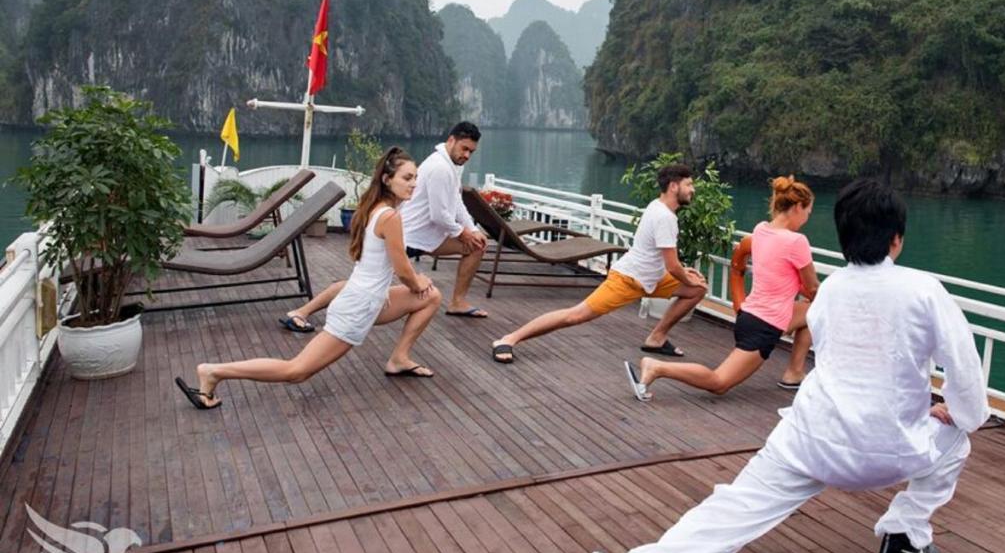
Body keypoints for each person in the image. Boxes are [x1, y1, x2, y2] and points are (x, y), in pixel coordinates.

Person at [586, 178, 991, 553]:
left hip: (814, 441)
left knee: (738, 504)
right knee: (957, 440)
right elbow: (965, 376)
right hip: (894, 450)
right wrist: (956, 412)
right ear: (896, 239)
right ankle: (905, 538)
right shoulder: (924, 291)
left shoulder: (832, 290)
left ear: (843, 236)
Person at [174, 147, 442, 410]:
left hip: (372, 300)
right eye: (407, 178)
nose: (414, 183)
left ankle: (399, 358)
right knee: (297, 370)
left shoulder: (378, 208)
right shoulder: (390, 216)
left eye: (416, 177)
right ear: (387, 179)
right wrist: (417, 280)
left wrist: (419, 284)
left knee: (431, 297)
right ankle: (214, 372)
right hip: (358, 307)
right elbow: (404, 270)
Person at [277, 122, 489, 332]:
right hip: (409, 235)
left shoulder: (451, 165)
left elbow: (456, 201)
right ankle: (302, 311)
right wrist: (463, 233)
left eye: (471, 151)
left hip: (427, 235)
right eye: (464, 149)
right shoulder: (440, 168)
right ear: (451, 141)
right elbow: (440, 214)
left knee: (476, 245)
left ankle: (458, 302)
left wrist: (473, 230)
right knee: (359, 284)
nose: (467, 155)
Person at [490, 164, 708, 365]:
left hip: (652, 277)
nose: (693, 190)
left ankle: (657, 339)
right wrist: (683, 274)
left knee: (696, 289)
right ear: (673, 186)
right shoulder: (665, 218)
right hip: (628, 280)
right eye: (689, 184)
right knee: (574, 315)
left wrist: (684, 272)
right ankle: (509, 339)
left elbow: (662, 257)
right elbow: (672, 266)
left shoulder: (659, 207)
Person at [624, 175, 817, 401]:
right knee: (719, 382)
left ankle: (794, 373)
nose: (806, 219)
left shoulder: (761, 230)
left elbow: (780, 272)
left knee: (811, 311)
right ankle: (657, 367)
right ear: (796, 207)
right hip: (764, 326)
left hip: (749, 314)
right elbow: (813, 288)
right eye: (807, 212)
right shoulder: (797, 242)